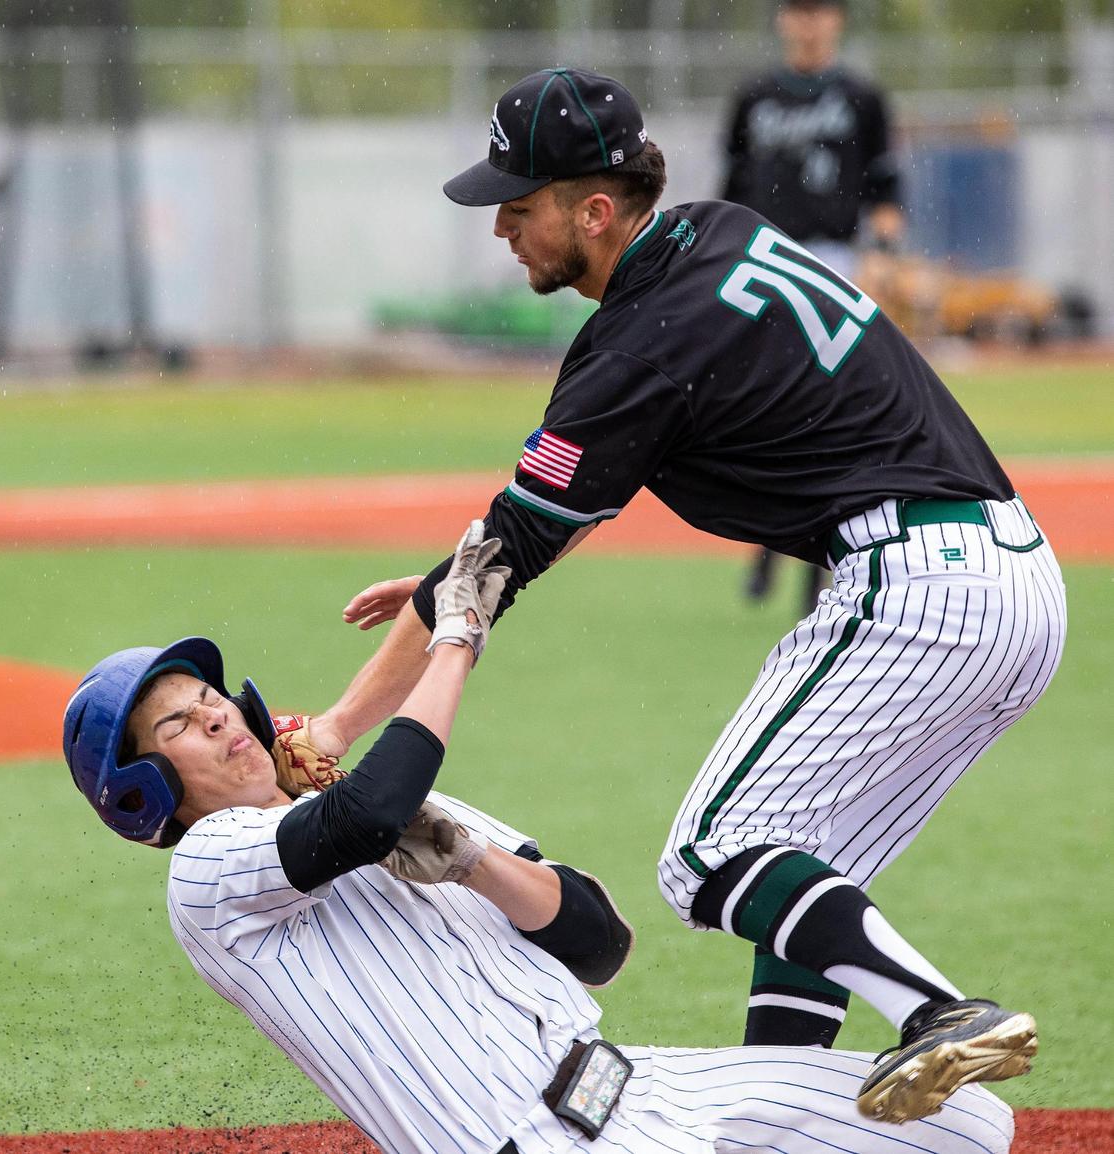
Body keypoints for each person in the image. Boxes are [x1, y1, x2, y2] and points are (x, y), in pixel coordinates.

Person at [330, 67, 1066, 1126]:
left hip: (917, 588)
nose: (500, 224)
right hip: (1012, 581)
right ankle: (785, 1126)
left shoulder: (636, 346)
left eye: (521, 201)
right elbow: (540, 523)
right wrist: (493, 554)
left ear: (593, 209)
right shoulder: (715, 233)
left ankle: (943, 1010)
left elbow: (504, 554)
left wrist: (345, 720)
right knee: (805, 882)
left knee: (710, 849)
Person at [63, 530, 1016, 1154]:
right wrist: (455, 641)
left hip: (643, 1097)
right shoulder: (210, 869)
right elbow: (361, 821)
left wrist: (473, 861)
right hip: (528, 1142)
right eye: (178, 726)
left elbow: (600, 945)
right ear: (145, 791)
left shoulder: (400, 811)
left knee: (975, 1122)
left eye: (206, 698)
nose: (215, 716)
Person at [718, 0, 906, 614]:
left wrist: (880, 249)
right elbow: (733, 183)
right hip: (764, 254)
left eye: (820, 9)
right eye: (798, 9)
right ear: (781, 19)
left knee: (823, 405)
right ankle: (766, 545)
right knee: (762, 405)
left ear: (838, 20)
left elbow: (884, 186)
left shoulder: (860, 95)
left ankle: (814, 571)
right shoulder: (755, 95)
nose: (809, 21)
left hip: (833, 257)